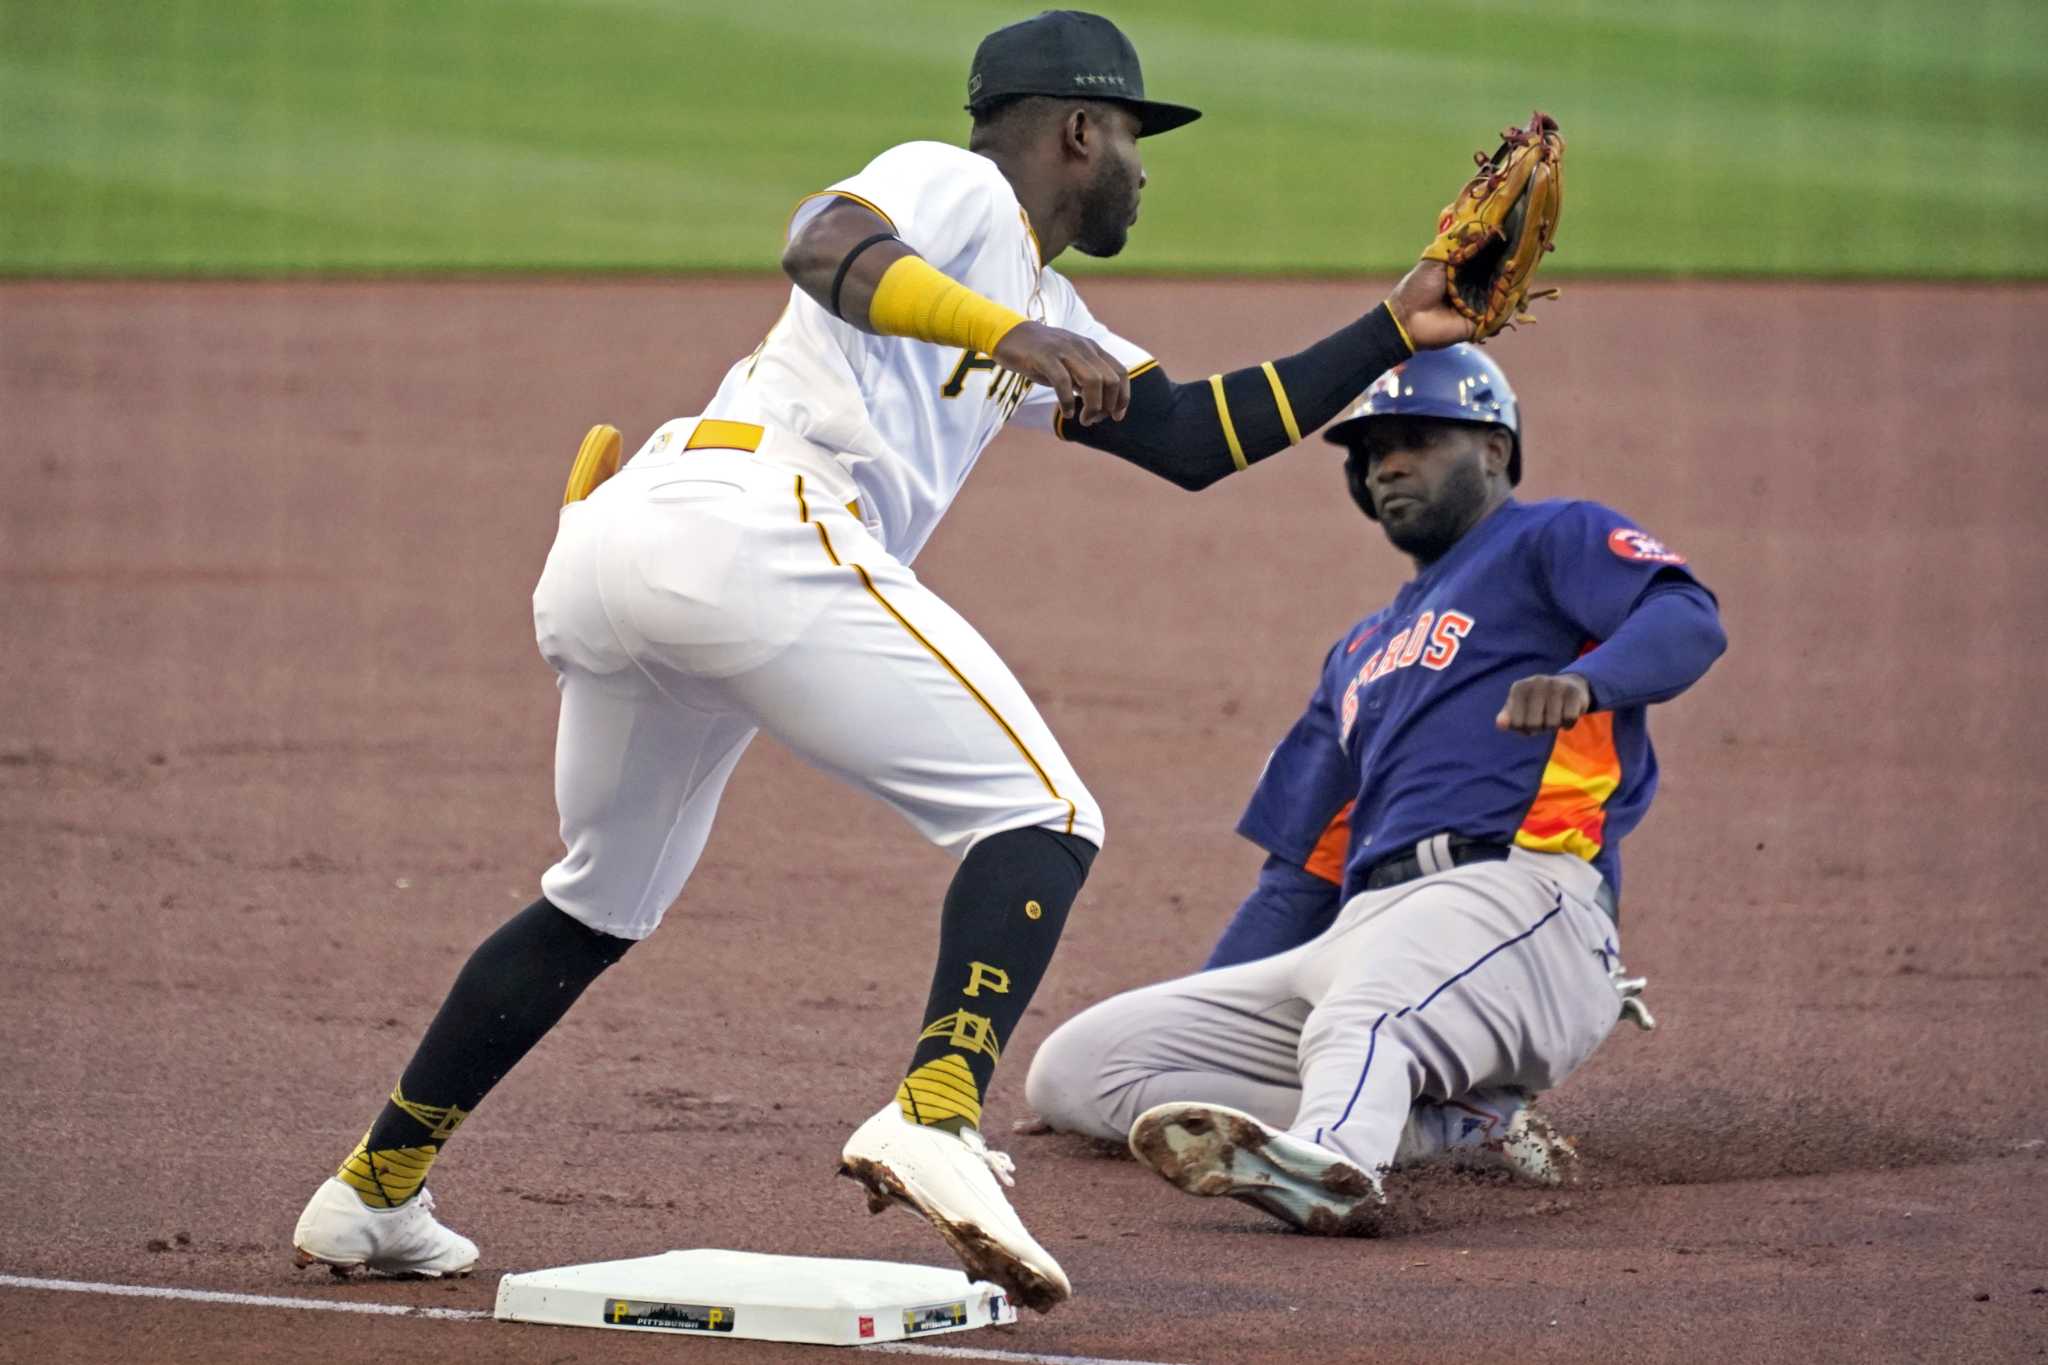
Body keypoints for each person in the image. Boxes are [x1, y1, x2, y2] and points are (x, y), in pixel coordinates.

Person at [289, 10, 1482, 1310]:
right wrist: (1004, 335)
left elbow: (1192, 432)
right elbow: (822, 244)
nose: (1147, 166)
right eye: (1138, 135)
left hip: (634, 551)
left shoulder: (1040, 299)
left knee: (597, 900)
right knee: (1047, 814)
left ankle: (374, 1187)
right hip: (748, 529)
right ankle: (936, 1110)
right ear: (1080, 129)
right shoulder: (956, 183)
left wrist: (1393, 325)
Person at [1022, 345, 1726, 1232]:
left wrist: (1592, 682)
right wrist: (1208, 1027)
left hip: (1526, 902)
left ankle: (1338, 1166)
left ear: (1496, 450)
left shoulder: (1554, 538)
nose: (1384, 463)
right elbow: (1299, 878)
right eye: (1367, 451)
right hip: (1361, 928)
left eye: (1416, 439)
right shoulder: (1358, 652)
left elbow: (1684, 614)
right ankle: (1456, 1126)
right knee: (1082, 1067)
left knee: (1367, 1010)